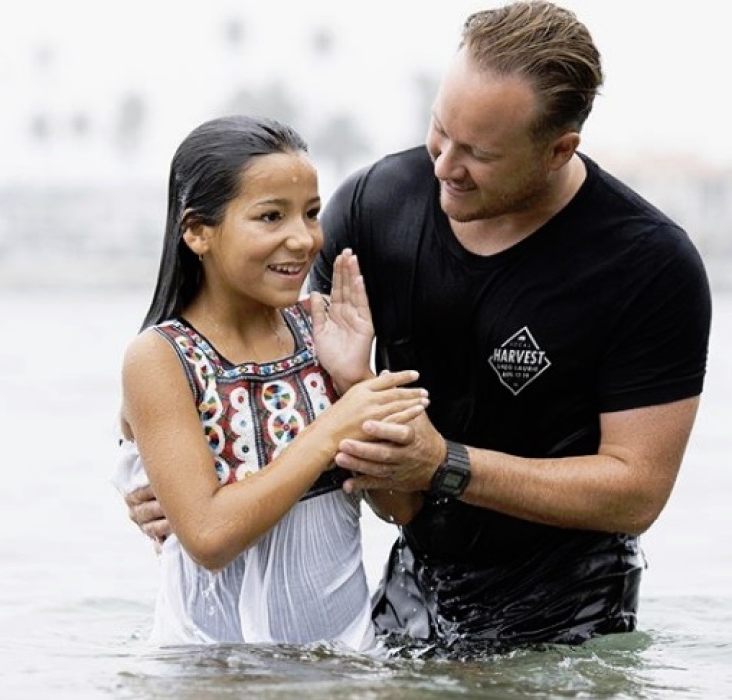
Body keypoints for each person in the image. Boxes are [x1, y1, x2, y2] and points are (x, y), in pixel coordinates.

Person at [125, 1, 712, 653]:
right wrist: (165, 467)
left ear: (558, 151)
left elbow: (636, 492)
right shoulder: (377, 204)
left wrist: (445, 463)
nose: (443, 166)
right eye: (440, 131)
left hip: (567, 606)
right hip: (411, 584)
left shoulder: (646, 264)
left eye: (478, 154)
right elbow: (258, 357)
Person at [113, 114, 428, 651]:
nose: (303, 239)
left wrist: (355, 379)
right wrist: (329, 431)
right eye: (270, 217)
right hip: (214, 675)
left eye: (310, 214)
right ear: (197, 231)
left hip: (346, 666)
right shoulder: (163, 358)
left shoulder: (323, 329)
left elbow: (404, 511)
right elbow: (209, 538)